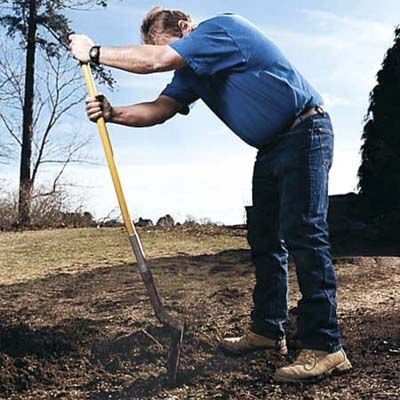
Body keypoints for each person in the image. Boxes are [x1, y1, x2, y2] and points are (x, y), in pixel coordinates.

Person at [69, 6, 352, 382]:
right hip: (270, 147)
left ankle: (326, 345)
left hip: (306, 131)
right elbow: (159, 109)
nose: (174, 61)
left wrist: (94, 52)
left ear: (185, 28)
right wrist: (113, 111)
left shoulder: (222, 29)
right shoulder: (193, 72)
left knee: (304, 233)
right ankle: (268, 330)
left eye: (166, 44)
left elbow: (158, 60)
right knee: (265, 241)